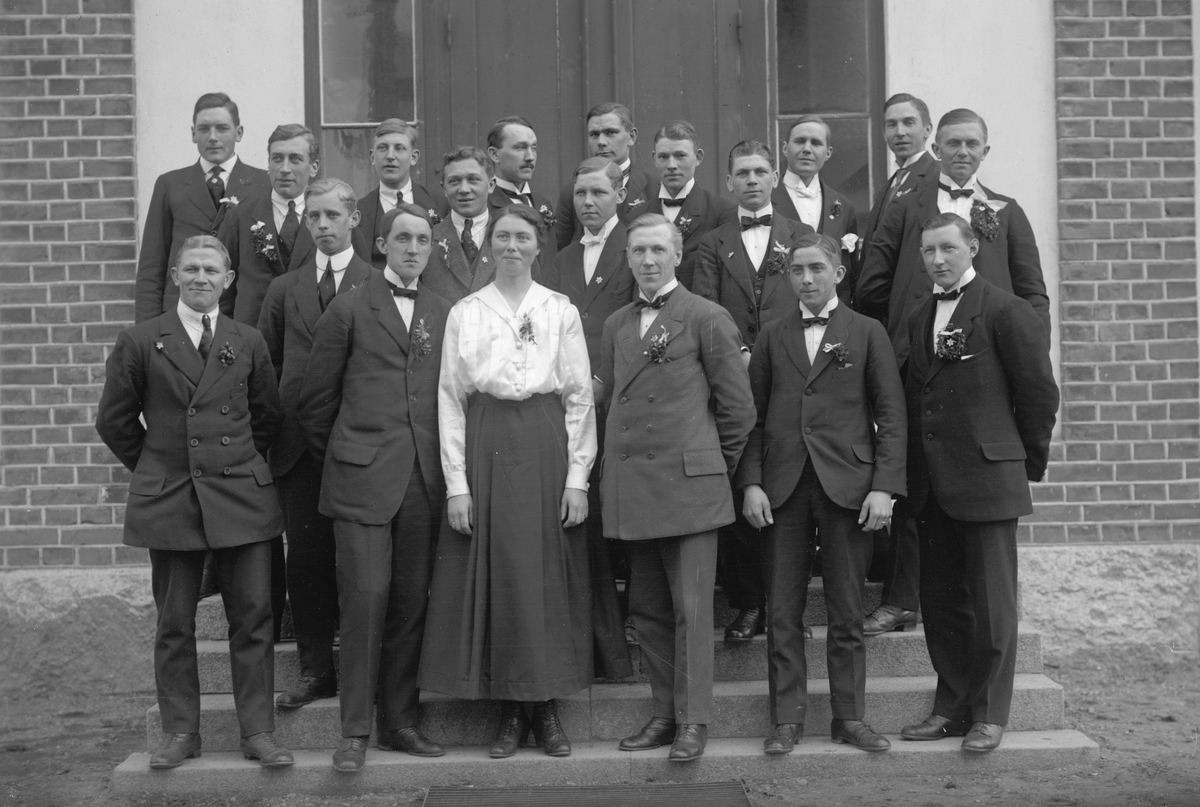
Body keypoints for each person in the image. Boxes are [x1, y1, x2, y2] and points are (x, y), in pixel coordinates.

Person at [96, 235, 292, 770]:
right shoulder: (141, 341)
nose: (201, 277)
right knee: (175, 623)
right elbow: (114, 421)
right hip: (172, 498)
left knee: (253, 618)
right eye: (191, 269)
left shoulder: (247, 340)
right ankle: (181, 732)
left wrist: (232, 463)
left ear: (228, 280)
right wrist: (161, 465)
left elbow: (267, 416)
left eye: (211, 270)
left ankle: (258, 732)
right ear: (175, 277)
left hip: (241, 496)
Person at [419, 205, 596, 759]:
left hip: (544, 443)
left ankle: (544, 710)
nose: (512, 246)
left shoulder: (559, 308)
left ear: (538, 246)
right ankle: (509, 714)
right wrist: (457, 485)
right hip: (486, 443)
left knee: (541, 575)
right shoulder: (466, 311)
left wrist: (577, 477)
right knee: (499, 576)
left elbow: (579, 395)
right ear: (490, 245)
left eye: (522, 237)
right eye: (502, 237)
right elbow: (450, 399)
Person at [737, 233, 906, 755]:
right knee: (782, 611)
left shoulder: (867, 331)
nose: (806, 279)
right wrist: (751, 482)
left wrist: (884, 488)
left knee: (847, 610)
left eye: (816, 268)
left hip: (848, 487)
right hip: (782, 488)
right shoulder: (772, 334)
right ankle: (786, 720)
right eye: (797, 270)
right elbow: (752, 417)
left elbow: (891, 415)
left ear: (838, 273)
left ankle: (848, 718)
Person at [298, 203, 451, 772]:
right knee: (364, 601)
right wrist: (353, 459)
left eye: (423, 240)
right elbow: (315, 405)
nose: (413, 248)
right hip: (361, 480)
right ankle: (355, 731)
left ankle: (400, 723)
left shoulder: (443, 310)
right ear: (382, 245)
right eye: (402, 238)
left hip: (422, 481)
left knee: (411, 603)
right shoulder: (348, 307)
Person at [598, 214, 755, 762]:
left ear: (677, 255)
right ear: (627, 256)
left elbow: (737, 409)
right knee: (647, 610)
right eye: (638, 250)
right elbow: (612, 402)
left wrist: (708, 466)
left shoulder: (706, 316)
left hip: (690, 491)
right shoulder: (616, 323)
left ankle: (693, 721)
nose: (647, 260)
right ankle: (663, 714)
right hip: (636, 488)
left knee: (691, 610)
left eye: (657, 250)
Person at [899, 214, 1058, 753]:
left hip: (989, 478)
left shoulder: (1007, 310)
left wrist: (1021, 465)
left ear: (972, 248)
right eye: (928, 251)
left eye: (948, 248)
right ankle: (951, 707)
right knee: (942, 604)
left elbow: (1038, 394)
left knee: (993, 606)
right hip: (931, 485)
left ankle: (989, 715)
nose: (937, 260)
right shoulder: (920, 316)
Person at [257, 179, 374, 712]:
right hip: (298, 449)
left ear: (354, 218)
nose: (323, 225)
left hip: (359, 445)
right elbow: (267, 368)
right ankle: (315, 670)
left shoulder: (376, 283)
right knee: (305, 561)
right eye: (314, 217)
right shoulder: (285, 289)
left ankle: (363, 673)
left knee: (359, 563)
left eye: (333, 215)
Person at [692, 140, 811, 644]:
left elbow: (814, 301)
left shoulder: (801, 236)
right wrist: (738, 353)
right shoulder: (712, 243)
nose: (753, 180)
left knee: (787, 490)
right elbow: (704, 307)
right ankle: (748, 603)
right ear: (729, 182)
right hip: (732, 378)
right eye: (743, 173)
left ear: (775, 177)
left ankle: (788, 608)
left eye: (761, 171)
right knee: (740, 481)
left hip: (791, 378)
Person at [855, 108, 1052, 364]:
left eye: (972, 144)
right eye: (953, 143)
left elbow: (1031, 291)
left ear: (985, 151)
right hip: (918, 349)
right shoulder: (904, 208)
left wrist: (1035, 349)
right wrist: (909, 316)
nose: (962, 152)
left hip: (991, 349)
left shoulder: (1008, 211)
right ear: (936, 150)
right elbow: (871, 287)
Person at [543, 157, 636, 682]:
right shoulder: (559, 261)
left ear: (619, 194)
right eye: (580, 194)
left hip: (618, 406)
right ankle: (588, 646)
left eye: (598, 192)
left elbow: (637, 330)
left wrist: (602, 382)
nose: (588, 202)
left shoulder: (635, 250)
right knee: (581, 529)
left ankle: (618, 646)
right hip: (568, 412)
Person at [860, 92, 938, 639]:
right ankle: (899, 585)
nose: (900, 132)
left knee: (911, 476)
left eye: (910, 123)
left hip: (916, 347)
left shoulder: (932, 186)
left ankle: (907, 597)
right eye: (891, 124)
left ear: (927, 129)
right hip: (890, 342)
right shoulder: (896, 183)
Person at [134, 93, 269, 323]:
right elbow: (152, 265)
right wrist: (148, 332)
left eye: (222, 128)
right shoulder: (170, 184)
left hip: (240, 318)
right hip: (179, 315)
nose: (213, 137)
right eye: (204, 129)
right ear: (193, 134)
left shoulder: (264, 185)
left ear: (239, 133)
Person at [219, 123, 321, 326]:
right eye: (277, 158)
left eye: (295, 159)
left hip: (310, 337)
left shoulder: (329, 220)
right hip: (253, 336)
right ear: (268, 163)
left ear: (314, 167)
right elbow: (222, 292)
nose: (284, 169)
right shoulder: (239, 219)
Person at [771, 115, 859, 302]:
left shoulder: (844, 207)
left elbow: (849, 277)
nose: (807, 149)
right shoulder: (767, 201)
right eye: (800, 141)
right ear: (785, 148)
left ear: (828, 153)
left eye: (816, 143)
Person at [552, 102, 658, 250]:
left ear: (631, 137)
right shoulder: (571, 192)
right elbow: (561, 249)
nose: (601, 142)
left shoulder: (655, 189)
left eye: (611, 133)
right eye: (594, 135)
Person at [643, 120, 735, 289]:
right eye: (663, 157)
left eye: (680, 156)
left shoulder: (721, 213)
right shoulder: (639, 215)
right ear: (654, 158)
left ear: (698, 157)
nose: (671, 165)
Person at [353, 119, 450, 269]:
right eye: (383, 148)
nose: (390, 156)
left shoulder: (441, 204)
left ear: (413, 157)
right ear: (372, 157)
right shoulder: (358, 211)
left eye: (399, 148)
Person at [421, 147, 506, 303]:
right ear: (444, 189)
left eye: (473, 179)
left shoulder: (511, 239)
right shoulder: (426, 241)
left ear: (491, 185)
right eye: (454, 181)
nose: (464, 189)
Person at [485, 116, 557, 261]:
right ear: (495, 155)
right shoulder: (484, 205)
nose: (530, 157)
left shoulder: (543, 203)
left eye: (533, 148)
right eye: (520, 147)